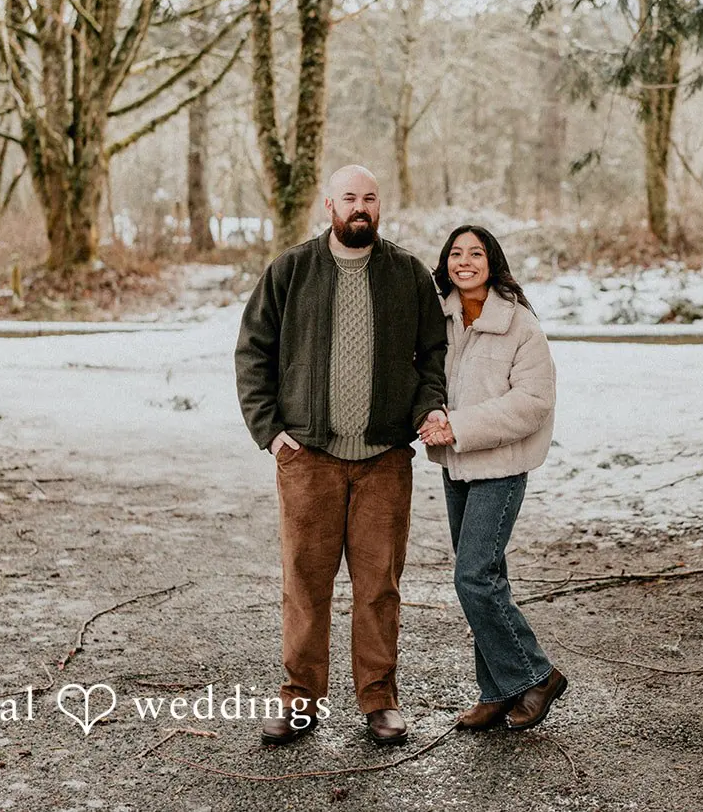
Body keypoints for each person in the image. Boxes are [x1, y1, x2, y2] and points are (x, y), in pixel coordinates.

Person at [235, 165, 448, 747]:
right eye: (349, 197)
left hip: (384, 458)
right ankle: (300, 702)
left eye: (370, 198)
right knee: (305, 584)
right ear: (328, 205)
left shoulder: (406, 273)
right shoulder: (291, 270)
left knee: (378, 586)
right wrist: (270, 431)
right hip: (309, 457)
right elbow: (253, 351)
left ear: (380, 207)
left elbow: (433, 354)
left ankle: (379, 701)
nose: (360, 207)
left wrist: (425, 409)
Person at [419, 224, 568, 731]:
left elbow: (532, 403)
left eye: (476, 253)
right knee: (487, 578)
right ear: (446, 263)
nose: (465, 262)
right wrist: (430, 415)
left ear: (492, 262)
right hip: (456, 465)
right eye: (456, 254)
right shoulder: (439, 319)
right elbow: (426, 378)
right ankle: (497, 690)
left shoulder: (519, 324)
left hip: (500, 468)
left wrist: (457, 426)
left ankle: (536, 675)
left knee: (473, 577)